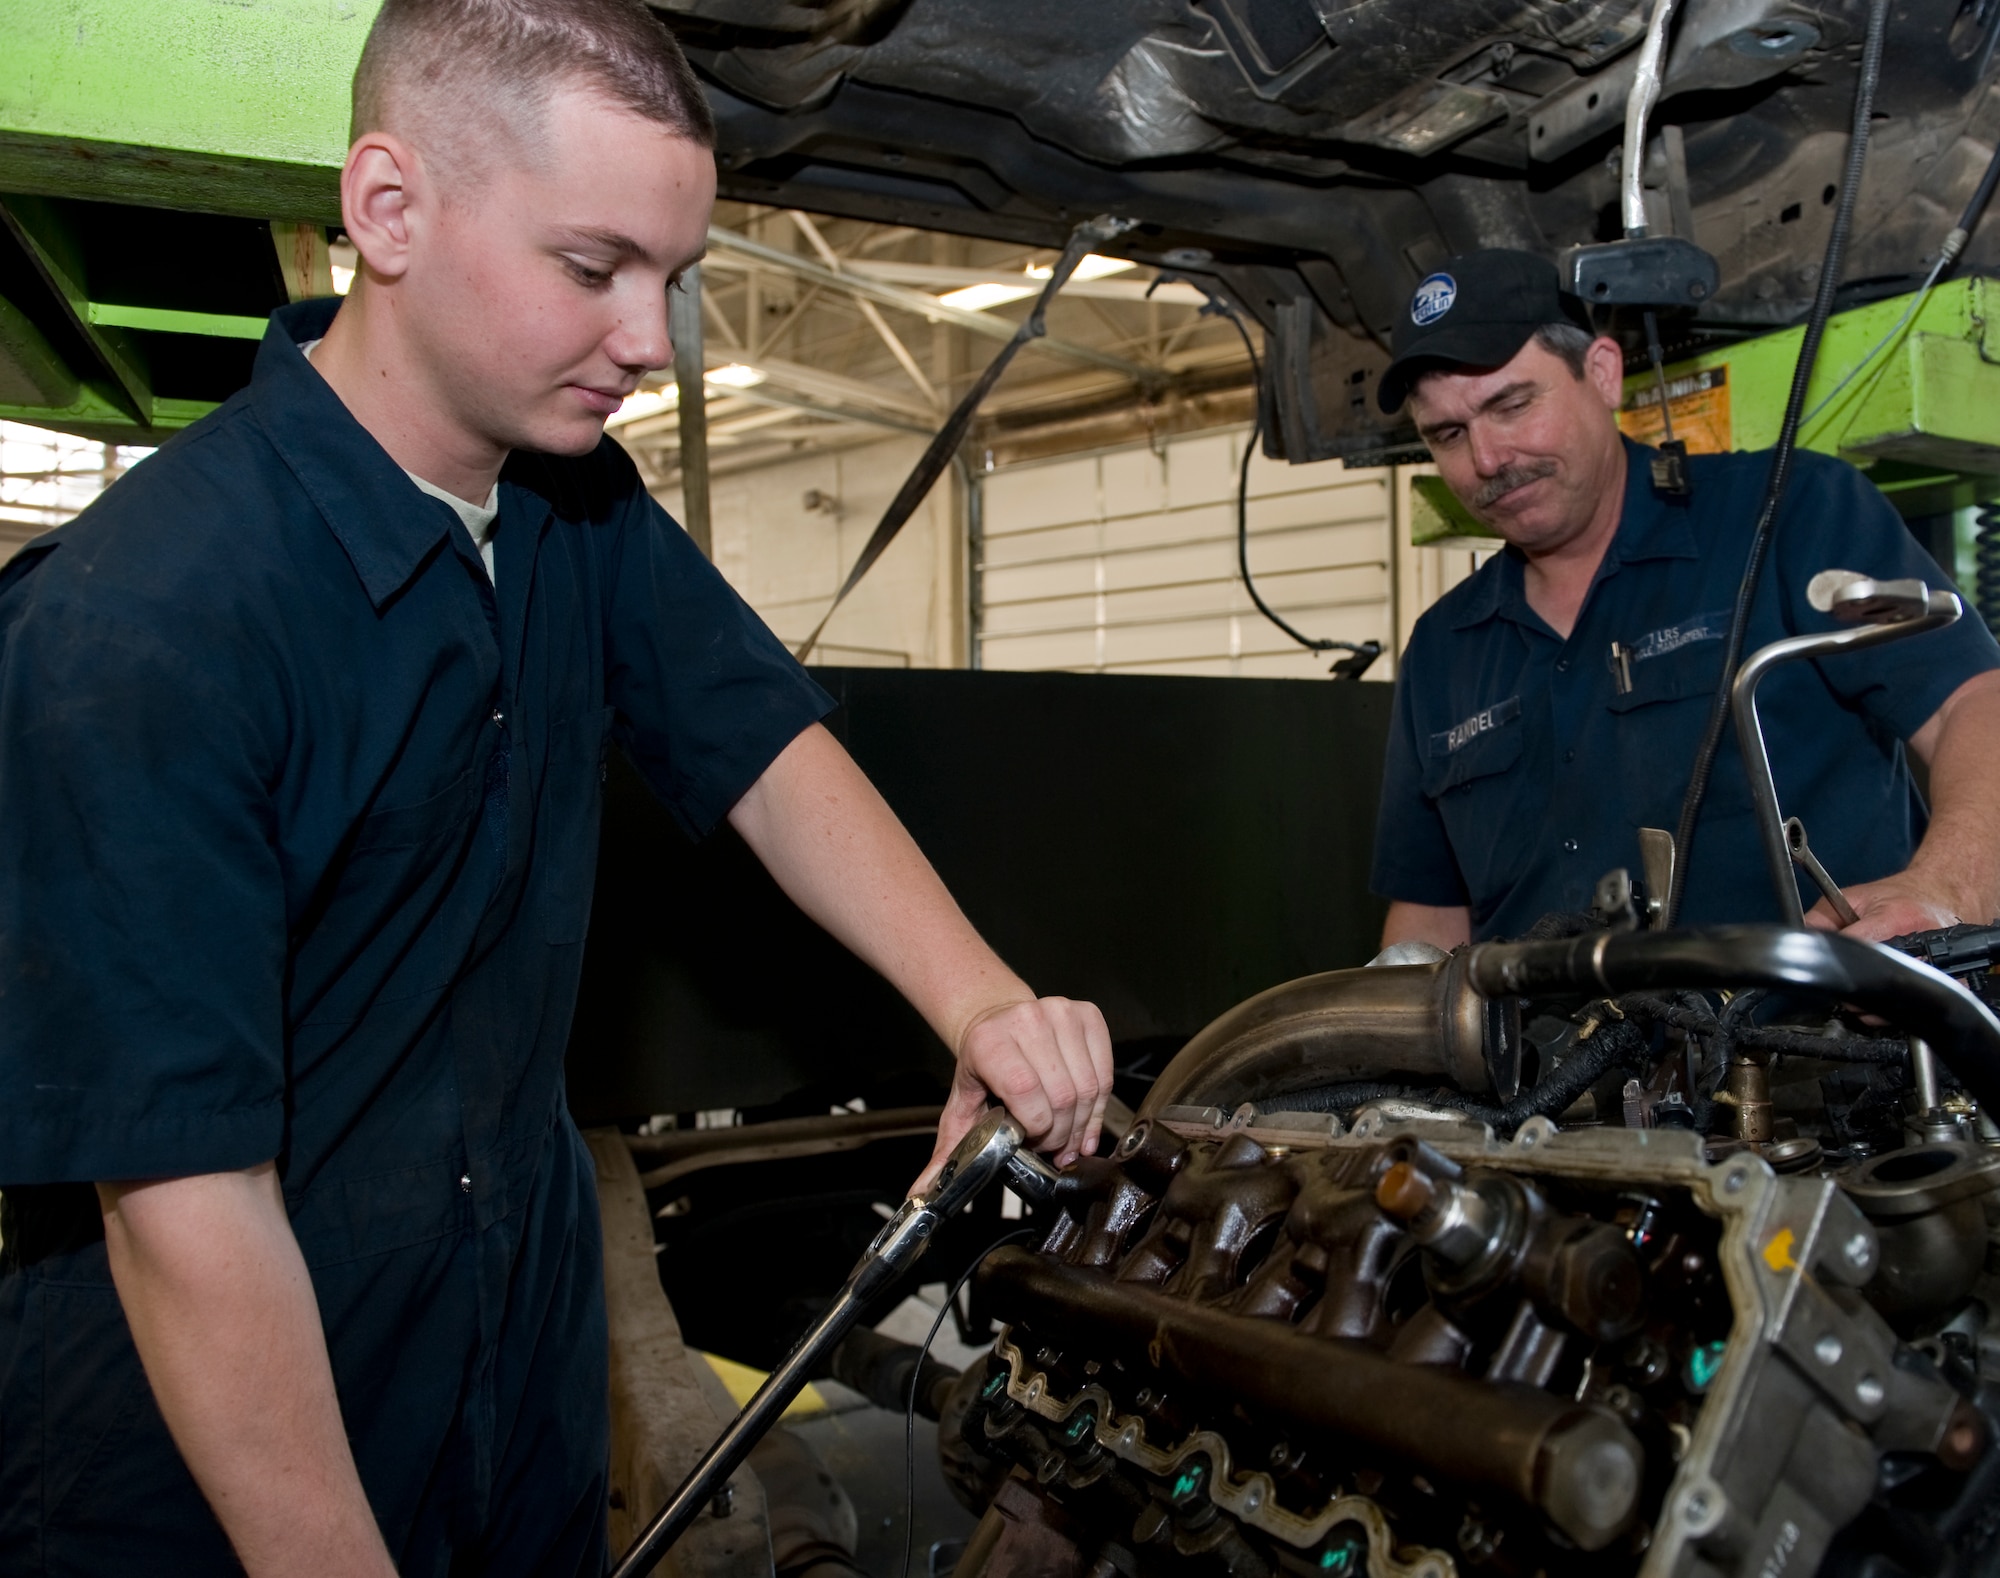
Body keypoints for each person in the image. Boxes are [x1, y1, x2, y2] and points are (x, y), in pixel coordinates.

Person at [0, 2, 1113, 1573]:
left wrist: (981, 1000)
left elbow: (763, 751)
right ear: (388, 210)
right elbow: (184, 1200)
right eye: (592, 271)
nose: (650, 342)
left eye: (673, 280)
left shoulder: (570, 508)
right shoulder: (146, 624)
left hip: (510, 1390)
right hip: (226, 1470)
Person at [1369, 248, 2000, 950]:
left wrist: (1946, 888)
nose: (1487, 458)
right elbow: (1431, 915)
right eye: (1448, 435)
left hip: (1818, 1042)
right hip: (1554, 1057)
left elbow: (1969, 703)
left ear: (1602, 373)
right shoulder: (1441, 648)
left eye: (1512, 404)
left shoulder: (1791, 513)